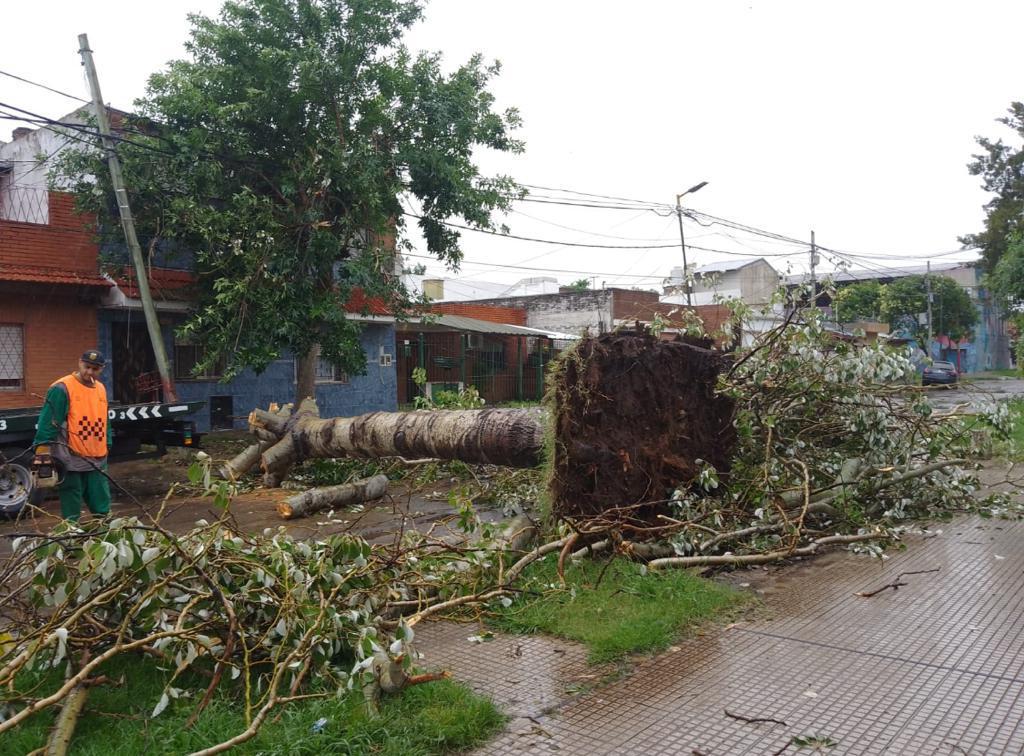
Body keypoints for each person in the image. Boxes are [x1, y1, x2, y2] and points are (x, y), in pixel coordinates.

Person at [32, 349, 112, 521]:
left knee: (102, 504)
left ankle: (106, 537)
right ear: (79, 363)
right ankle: (71, 538)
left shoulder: (101, 389)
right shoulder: (62, 388)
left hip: (97, 455)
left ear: (102, 369)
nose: (89, 372)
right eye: (86, 366)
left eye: (95, 369)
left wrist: (108, 442)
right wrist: (42, 450)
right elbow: (48, 422)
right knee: (71, 506)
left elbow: (104, 418)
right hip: (71, 456)